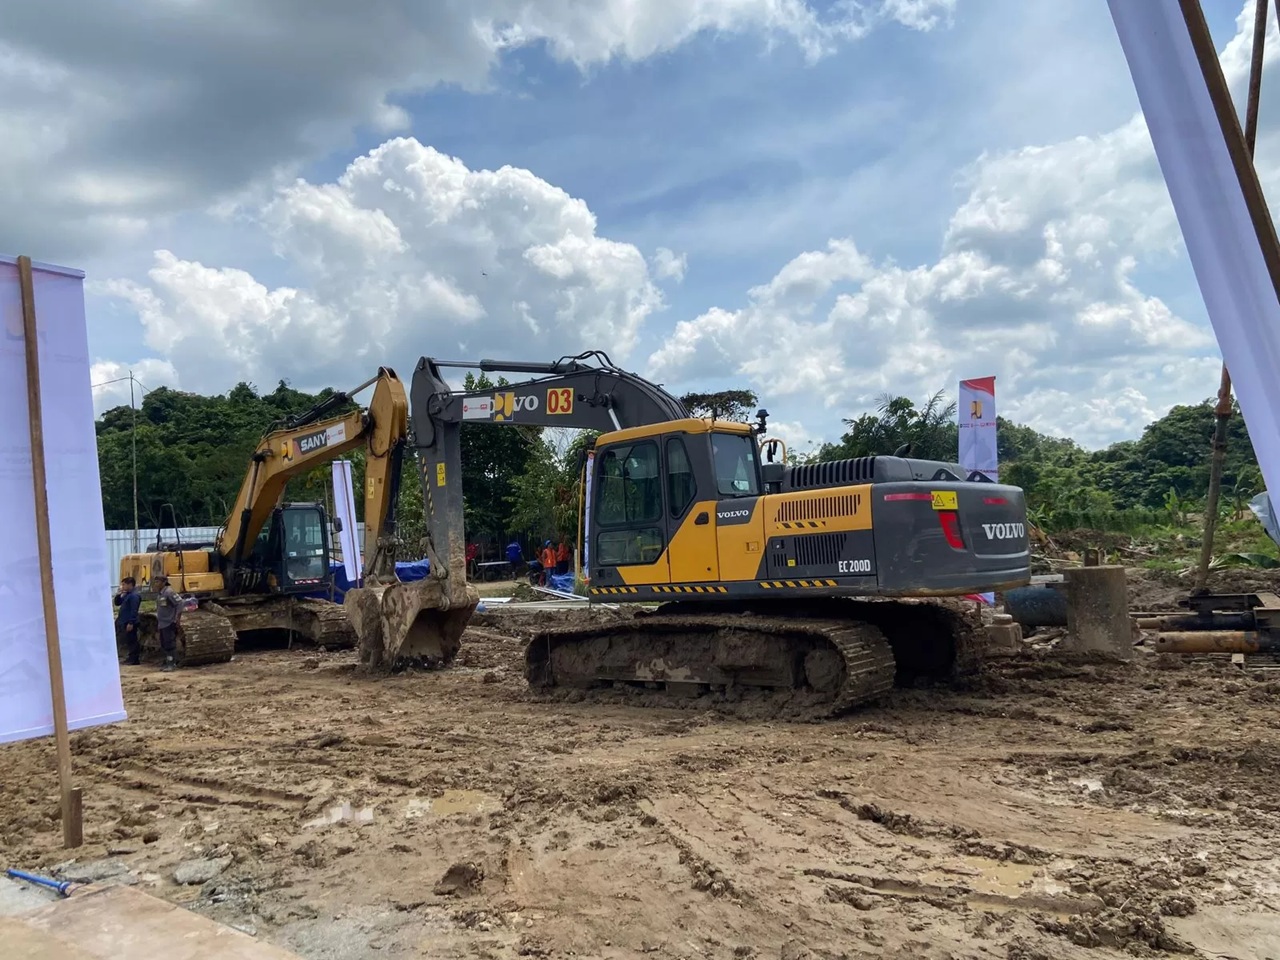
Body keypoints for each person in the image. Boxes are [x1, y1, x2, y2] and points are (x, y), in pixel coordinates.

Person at [153, 574, 183, 672]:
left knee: (170, 644)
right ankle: (168, 662)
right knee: (164, 644)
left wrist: (177, 618)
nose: (156, 584)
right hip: (162, 623)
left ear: (164, 582)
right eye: (155, 582)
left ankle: (172, 664)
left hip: (169, 622)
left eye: (158, 582)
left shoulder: (169, 592)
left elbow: (180, 603)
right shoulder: (160, 594)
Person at [113, 577, 142, 665]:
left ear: (130, 585)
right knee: (129, 641)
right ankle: (130, 657)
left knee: (132, 640)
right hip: (125, 621)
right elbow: (118, 603)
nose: (122, 586)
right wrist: (119, 594)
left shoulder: (134, 596)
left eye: (124, 585)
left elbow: (134, 610)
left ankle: (134, 659)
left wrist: (131, 622)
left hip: (130, 622)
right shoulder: (127, 595)